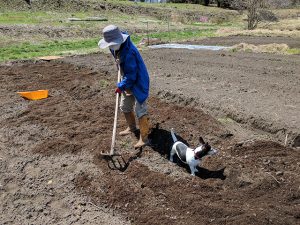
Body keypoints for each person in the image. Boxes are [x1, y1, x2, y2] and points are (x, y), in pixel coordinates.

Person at [98, 25, 150, 148]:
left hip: (138, 82)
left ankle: (144, 138)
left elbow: (132, 75)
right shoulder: (115, 48)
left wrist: (121, 86)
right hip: (126, 79)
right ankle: (132, 127)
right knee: (124, 106)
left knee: (140, 110)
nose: (110, 47)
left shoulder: (130, 52)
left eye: (112, 44)